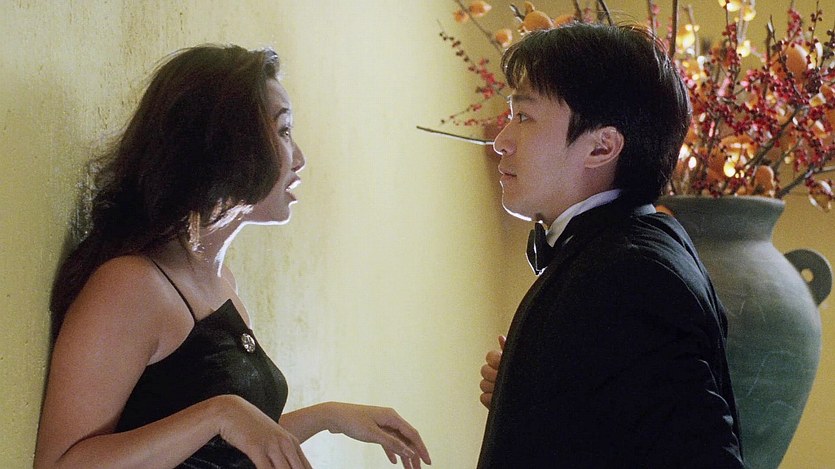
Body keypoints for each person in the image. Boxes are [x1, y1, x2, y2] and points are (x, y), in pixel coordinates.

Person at [34, 44, 431, 469]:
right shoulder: (131, 285)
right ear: (227, 141)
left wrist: (327, 417)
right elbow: (61, 464)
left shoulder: (221, 284)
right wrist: (219, 414)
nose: (299, 159)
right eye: (283, 131)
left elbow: (215, 453)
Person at [476, 23, 744, 467]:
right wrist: (534, 391)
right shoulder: (628, 251)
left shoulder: (631, 276)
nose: (500, 141)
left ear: (602, 148)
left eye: (523, 116)